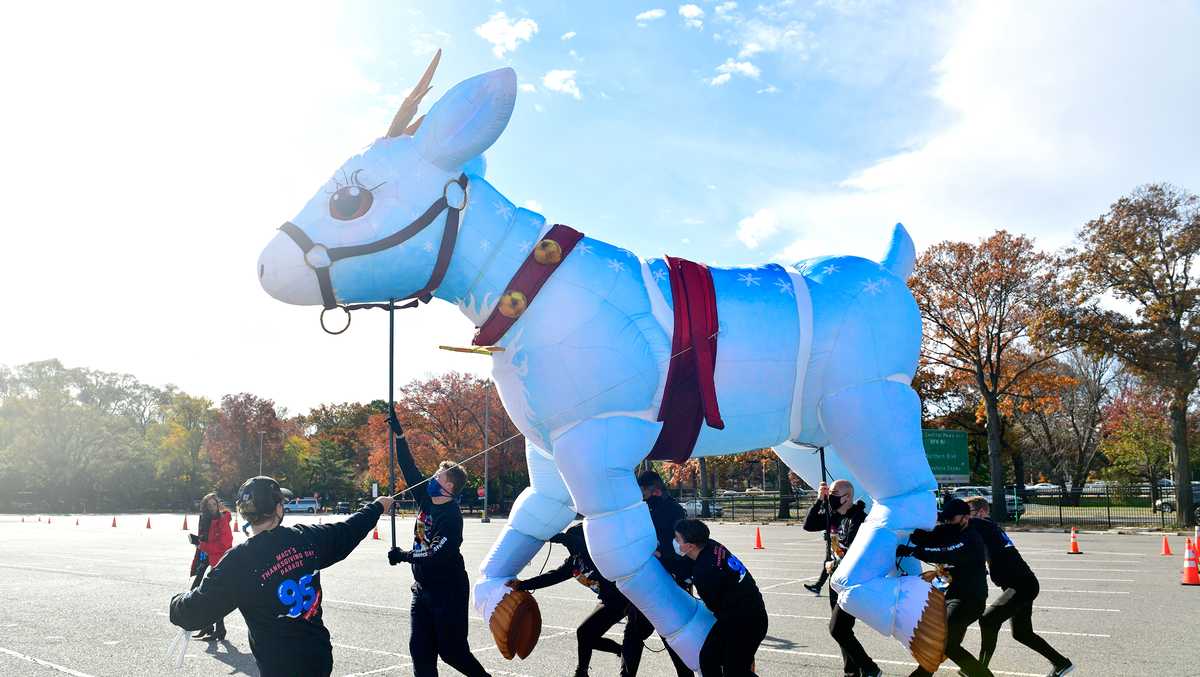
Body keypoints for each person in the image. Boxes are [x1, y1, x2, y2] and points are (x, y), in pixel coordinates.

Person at [169, 476, 393, 677]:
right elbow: (348, 530)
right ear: (278, 508)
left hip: (279, 666)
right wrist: (376, 507)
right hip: (318, 658)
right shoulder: (306, 537)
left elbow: (193, 613)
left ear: (243, 513)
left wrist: (177, 601)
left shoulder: (239, 562)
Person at [386, 411, 491, 677]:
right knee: (420, 653)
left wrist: (404, 555)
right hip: (422, 590)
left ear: (450, 488)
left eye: (438, 477)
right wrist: (400, 436)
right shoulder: (425, 498)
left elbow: (435, 554)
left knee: (453, 653)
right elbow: (408, 467)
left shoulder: (451, 518)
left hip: (449, 592)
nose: (432, 478)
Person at [965, 496, 1074, 676]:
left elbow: (955, 523)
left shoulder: (985, 525)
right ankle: (1061, 663)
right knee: (1022, 633)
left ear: (982, 512)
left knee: (988, 620)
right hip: (1022, 584)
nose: (964, 518)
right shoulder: (985, 530)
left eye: (967, 513)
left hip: (1021, 586)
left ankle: (979, 670)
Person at [507, 523, 628, 677]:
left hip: (621, 599)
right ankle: (624, 650)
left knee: (584, 632)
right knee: (587, 636)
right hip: (607, 600)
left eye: (572, 541)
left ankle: (582, 672)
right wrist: (522, 585)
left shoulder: (595, 554)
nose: (570, 548)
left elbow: (577, 543)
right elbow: (552, 577)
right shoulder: (574, 562)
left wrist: (551, 536)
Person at [896, 498, 993, 677]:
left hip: (970, 599)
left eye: (951, 519)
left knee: (945, 642)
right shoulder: (949, 530)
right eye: (945, 519)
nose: (947, 522)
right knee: (943, 644)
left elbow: (946, 551)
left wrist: (913, 551)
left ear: (965, 518)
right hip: (952, 595)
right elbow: (924, 537)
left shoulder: (970, 538)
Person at [802, 479, 881, 677]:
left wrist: (835, 563)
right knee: (843, 633)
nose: (832, 496)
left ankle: (870, 668)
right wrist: (820, 500)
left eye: (835, 493)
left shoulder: (859, 519)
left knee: (837, 629)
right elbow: (808, 525)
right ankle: (852, 672)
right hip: (835, 581)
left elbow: (856, 553)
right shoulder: (834, 516)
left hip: (852, 584)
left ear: (847, 497)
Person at [621, 470, 693, 677]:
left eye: (642, 490)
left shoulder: (674, 511)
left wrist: (663, 555)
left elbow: (683, 546)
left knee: (672, 635)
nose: (639, 494)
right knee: (633, 634)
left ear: (654, 489)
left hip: (669, 580)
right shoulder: (643, 508)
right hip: (646, 577)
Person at [674, 518, 767, 676]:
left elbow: (713, 606)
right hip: (747, 613)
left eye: (678, 539)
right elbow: (688, 565)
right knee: (709, 659)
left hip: (745, 622)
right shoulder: (711, 545)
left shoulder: (704, 573)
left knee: (734, 670)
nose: (674, 542)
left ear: (690, 546)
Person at [186, 492, 233, 641]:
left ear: (218, 504)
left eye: (214, 504)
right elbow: (204, 539)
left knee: (214, 596)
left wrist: (203, 545)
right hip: (205, 559)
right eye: (209, 505)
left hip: (219, 561)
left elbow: (225, 545)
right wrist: (198, 542)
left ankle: (218, 629)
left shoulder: (223, 519)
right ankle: (209, 626)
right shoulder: (205, 519)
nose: (212, 507)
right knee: (198, 591)